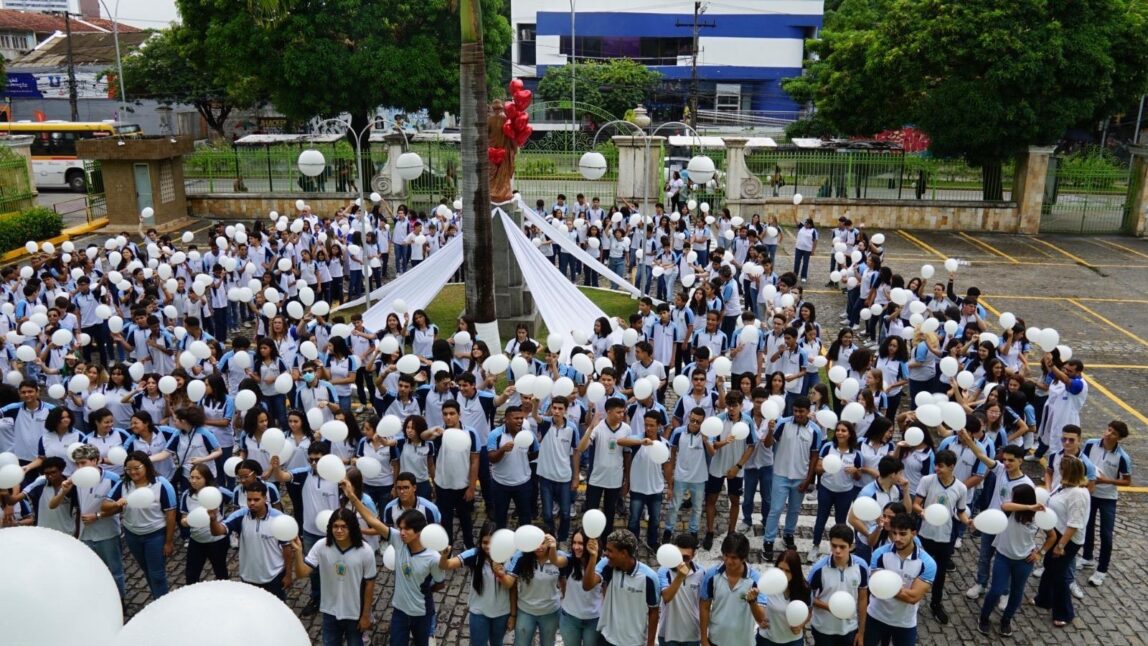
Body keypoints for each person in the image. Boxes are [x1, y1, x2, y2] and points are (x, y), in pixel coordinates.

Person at [347, 486, 445, 646]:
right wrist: (353, 497)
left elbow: (440, 583)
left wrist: (421, 589)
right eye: (400, 528)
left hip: (422, 613)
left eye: (407, 529)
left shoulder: (433, 558)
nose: (402, 532)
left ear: (419, 531)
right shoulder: (398, 540)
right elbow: (372, 521)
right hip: (400, 611)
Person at [957, 436, 1032, 601]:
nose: (1006, 463)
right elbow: (981, 455)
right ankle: (981, 583)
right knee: (984, 556)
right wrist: (968, 439)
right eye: (1004, 459)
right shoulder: (1000, 470)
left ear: (1020, 461)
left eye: (1011, 460)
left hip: (1009, 529)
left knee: (1005, 561)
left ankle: (1004, 592)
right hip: (991, 523)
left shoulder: (1027, 485)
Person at [273, 440, 341, 615]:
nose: (314, 463)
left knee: (336, 566)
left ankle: (337, 598)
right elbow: (282, 477)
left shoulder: (339, 477)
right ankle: (316, 597)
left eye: (318, 459)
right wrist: (275, 466)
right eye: (311, 459)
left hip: (335, 533)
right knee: (313, 570)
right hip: (310, 532)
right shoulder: (304, 473)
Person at [292, 508, 377, 646]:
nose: (339, 530)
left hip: (354, 613)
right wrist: (298, 552)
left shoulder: (365, 551)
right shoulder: (321, 546)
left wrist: (366, 615)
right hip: (329, 611)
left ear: (352, 528)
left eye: (344, 527)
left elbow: (370, 584)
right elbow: (301, 573)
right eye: (335, 526)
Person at [103, 450, 177, 601]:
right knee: (147, 571)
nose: (133, 472)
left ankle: (163, 604)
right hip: (132, 535)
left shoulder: (161, 484)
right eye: (128, 469)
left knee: (157, 574)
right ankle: (157, 599)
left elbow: (171, 514)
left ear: (146, 466)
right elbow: (104, 505)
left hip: (155, 535)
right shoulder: (123, 484)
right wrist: (116, 503)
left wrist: (169, 542)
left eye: (137, 468)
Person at [911, 449, 969, 624]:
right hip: (925, 534)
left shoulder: (961, 488)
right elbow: (916, 504)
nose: (937, 469)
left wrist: (968, 522)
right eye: (936, 465)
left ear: (952, 467)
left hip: (945, 537)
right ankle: (912, 599)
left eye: (941, 466)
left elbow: (960, 512)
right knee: (917, 568)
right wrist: (922, 512)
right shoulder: (927, 481)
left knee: (940, 573)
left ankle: (936, 603)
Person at [1033, 454, 1091, 629]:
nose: (1059, 471)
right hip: (1057, 533)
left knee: (1059, 574)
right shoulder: (1063, 486)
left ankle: (1064, 612)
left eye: (1062, 469)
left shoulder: (1078, 494)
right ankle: (1044, 598)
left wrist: (1060, 545)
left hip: (1068, 539)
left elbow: (1074, 524)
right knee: (1049, 565)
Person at [211, 479, 293, 599]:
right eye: (249, 500)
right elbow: (217, 531)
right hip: (248, 577)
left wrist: (288, 574)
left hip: (274, 577)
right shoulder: (240, 515)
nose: (252, 503)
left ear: (265, 498)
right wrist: (213, 520)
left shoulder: (279, 519)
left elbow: (287, 548)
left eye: (256, 499)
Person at [978, 483, 1042, 638]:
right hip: (1003, 557)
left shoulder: (1038, 517)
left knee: (1017, 592)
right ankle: (984, 617)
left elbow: (1052, 536)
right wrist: (1028, 507)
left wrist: (1040, 553)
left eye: (1014, 497)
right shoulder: (1010, 512)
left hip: (1024, 561)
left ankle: (1006, 620)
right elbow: (1005, 505)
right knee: (996, 590)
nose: (1011, 499)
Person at [763, 396, 822, 561]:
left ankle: (788, 535)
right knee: (775, 509)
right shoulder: (782, 424)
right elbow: (767, 444)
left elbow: (814, 456)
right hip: (780, 474)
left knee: (794, 510)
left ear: (808, 411)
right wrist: (770, 431)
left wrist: (808, 479)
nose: (798, 414)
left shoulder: (815, 430)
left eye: (801, 411)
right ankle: (768, 540)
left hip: (800, 477)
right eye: (795, 411)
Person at [865, 512, 936, 646]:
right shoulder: (879, 554)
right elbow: (875, 589)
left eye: (903, 534)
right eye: (894, 533)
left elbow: (913, 598)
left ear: (913, 534)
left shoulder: (928, 563)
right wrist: (898, 590)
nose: (897, 538)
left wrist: (886, 588)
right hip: (875, 616)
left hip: (905, 623)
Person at [440, 522, 515, 646]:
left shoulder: (510, 558)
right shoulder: (474, 554)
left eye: (493, 543)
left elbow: (511, 587)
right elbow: (446, 565)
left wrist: (513, 615)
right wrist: (444, 555)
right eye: (485, 542)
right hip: (479, 611)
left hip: (502, 613)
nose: (488, 547)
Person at [582, 528, 660, 646]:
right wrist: (593, 556)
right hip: (607, 639)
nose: (605, 553)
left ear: (623, 553)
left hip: (635, 643)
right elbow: (587, 586)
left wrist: (650, 644)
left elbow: (654, 611)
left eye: (610, 550)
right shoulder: (607, 565)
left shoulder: (649, 577)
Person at [68, 444, 126, 599]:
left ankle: (120, 601)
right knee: (91, 570)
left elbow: (120, 507)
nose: (80, 467)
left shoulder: (112, 479)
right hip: (85, 534)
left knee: (115, 570)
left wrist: (98, 515)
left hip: (108, 532)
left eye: (83, 463)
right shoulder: (76, 479)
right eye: (77, 464)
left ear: (95, 460)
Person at [1080, 419, 1132, 587]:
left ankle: (1101, 570)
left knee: (1106, 534)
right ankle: (1087, 557)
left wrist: (1105, 481)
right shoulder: (1091, 444)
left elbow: (1127, 481)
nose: (1108, 434)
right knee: (1087, 526)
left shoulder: (1122, 457)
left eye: (1113, 433)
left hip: (1108, 498)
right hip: (1090, 493)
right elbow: (1082, 462)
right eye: (1108, 430)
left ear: (1119, 438)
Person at [576, 398, 637, 536]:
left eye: (623, 412)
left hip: (615, 479)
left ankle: (605, 540)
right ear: (608, 412)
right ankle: (589, 538)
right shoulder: (598, 427)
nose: (622, 415)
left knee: (609, 513)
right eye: (618, 412)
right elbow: (581, 448)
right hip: (596, 478)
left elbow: (627, 455)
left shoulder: (626, 429)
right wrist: (591, 427)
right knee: (591, 512)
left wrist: (627, 480)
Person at [703, 392, 756, 551]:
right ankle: (710, 532)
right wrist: (724, 442)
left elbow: (751, 446)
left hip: (736, 469)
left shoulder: (747, 421)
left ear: (741, 406)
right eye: (729, 405)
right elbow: (712, 446)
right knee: (711, 499)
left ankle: (731, 532)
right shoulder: (718, 420)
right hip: (717, 466)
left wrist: (738, 467)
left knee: (734, 500)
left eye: (735, 405)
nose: (731, 409)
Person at [699, 532, 765, 646]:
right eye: (726, 555)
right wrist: (704, 640)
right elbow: (704, 607)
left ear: (743, 558)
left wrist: (752, 602)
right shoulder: (711, 575)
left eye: (734, 557)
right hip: (715, 641)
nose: (728, 561)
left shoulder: (756, 580)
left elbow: (761, 619)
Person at [808, 524, 868, 646]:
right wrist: (830, 607)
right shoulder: (818, 569)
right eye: (834, 546)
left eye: (842, 547)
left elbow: (862, 599)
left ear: (851, 547)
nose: (837, 551)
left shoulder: (861, 567)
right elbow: (808, 597)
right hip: (823, 629)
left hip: (850, 628)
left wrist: (861, 632)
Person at [507, 526, 567, 646]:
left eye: (543, 543)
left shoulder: (559, 556)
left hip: (551, 612)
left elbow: (564, 582)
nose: (539, 547)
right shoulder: (521, 557)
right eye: (535, 543)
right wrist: (513, 615)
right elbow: (511, 586)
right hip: (526, 610)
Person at [533, 395, 581, 543]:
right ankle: (551, 537)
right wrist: (535, 405)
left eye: (560, 408)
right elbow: (535, 416)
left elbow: (576, 452)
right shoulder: (546, 423)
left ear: (566, 410)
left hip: (564, 478)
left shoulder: (572, 428)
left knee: (565, 514)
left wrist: (576, 477)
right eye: (554, 408)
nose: (557, 411)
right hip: (546, 477)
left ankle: (563, 538)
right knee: (547, 514)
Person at [433, 401, 479, 550]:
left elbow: (474, 461)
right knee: (445, 519)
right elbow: (423, 436)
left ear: (460, 414)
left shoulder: (470, 433)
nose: (448, 417)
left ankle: (468, 545)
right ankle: (447, 548)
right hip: (443, 485)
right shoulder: (439, 433)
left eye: (452, 413)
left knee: (465, 518)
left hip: (463, 485)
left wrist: (471, 487)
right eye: (445, 414)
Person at [180, 463, 232, 585]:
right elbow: (183, 517)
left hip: (217, 540)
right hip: (196, 540)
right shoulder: (187, 494)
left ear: (206, 478)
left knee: (220, 573)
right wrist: (185, 522)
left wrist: (229, 522)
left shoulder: (217, 491)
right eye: (191, 477)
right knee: (191, 576)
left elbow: (236, 498)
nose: (193, 481)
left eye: (198, 478)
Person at [488, 405, 539, 528]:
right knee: (500, 519)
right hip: (500, 484)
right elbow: (491, 458)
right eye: (516, 418)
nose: (520, 421)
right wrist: (502, 450)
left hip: (523, 484)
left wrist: (522, 460)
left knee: (525, 519)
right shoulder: (495, 435)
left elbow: (536, 452)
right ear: (507, 419)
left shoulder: (528, 434)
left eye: (521, 418)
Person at [629, 410, 672, 549]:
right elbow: (620, 441)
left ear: (659, 426)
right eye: (646, 425)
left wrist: (670, 486)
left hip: (656, 488)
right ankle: (632, 543)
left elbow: (667, 466)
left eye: (652, 425)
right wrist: (640, 441)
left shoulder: (665, 444)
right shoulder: (637, 440)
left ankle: (652, 542)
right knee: (634, 519)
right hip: (637, 487)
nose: (648, 428)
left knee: (655, 519)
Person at [757, 549, 812, 646]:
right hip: (768, 639)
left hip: (793, 640)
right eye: (780, 569)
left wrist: (801, 625)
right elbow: (759, 604)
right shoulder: (768, 584)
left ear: (795, 572)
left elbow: (809, 612)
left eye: (787, 571)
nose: (783, 574)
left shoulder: (804, 589)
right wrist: (760, 620)